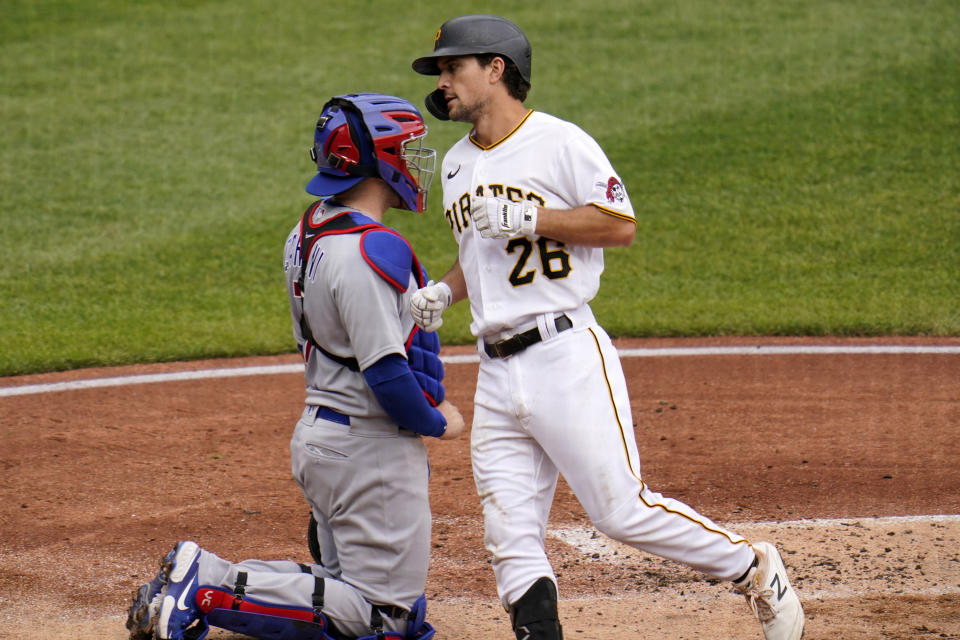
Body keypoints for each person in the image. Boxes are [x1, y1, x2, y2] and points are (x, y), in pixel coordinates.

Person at [408, 14, 804, 640]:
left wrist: (532, 216)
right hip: (494, 369)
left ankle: (754, 567)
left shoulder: (560, 142)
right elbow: (483, 253)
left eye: (454, 67)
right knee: (509, 534)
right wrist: (444, 292)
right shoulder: (456, 162)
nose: (444, 80)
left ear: (496, 69)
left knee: (620, 510)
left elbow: (619, 225)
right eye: (441, 70)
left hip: (564, 354)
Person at [125, 92, 464, 640]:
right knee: (386, 618)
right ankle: (203, 592)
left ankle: (205, 574)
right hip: (368, 449)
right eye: (406, 149)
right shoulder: (367, 252)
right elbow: (387, 374)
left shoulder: (308, 229)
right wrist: (439, 421)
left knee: (345, 586)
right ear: (377, 159)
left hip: (325, 439)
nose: (416, 160)